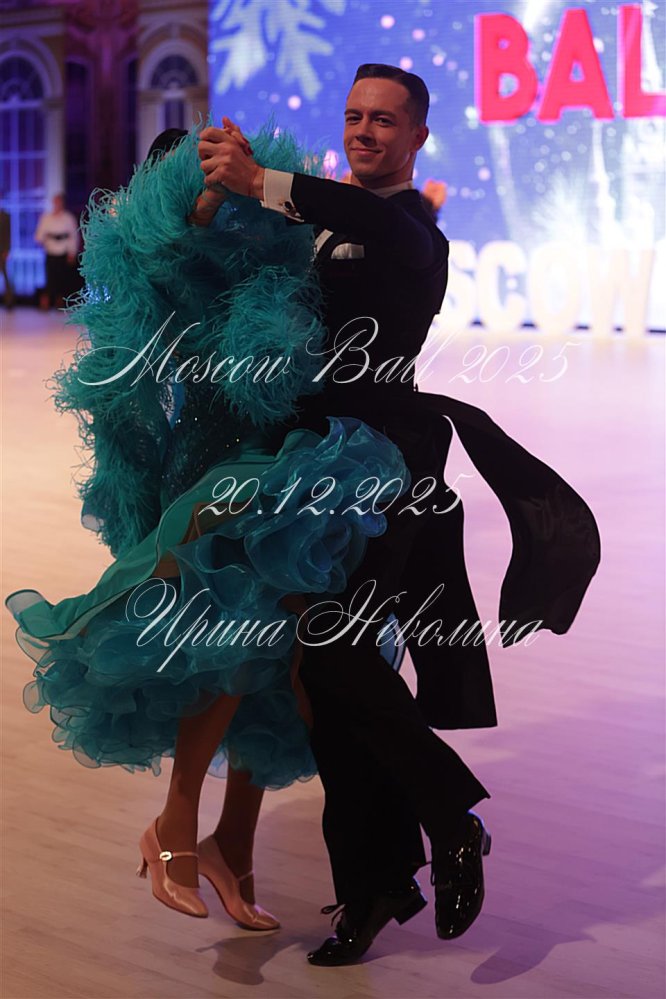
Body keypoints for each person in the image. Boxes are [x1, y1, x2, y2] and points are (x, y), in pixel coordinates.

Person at [197, 62, 601, 965]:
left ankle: (451, 816)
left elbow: (371, 220)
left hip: (385, 467)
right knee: (333, 686)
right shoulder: (315, 221)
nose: (365, 132)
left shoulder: (413, 226)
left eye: (384, 120)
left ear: (418, 136)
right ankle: (373, 883)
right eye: (354, 116)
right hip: (310, 463)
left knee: (335, 657)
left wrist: (264, 180)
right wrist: (215, 167)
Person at [5, 119, 415, 931]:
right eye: (198, 176)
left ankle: (231, 840)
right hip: (218, 463)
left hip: (282, 451)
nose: (216, 188)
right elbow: (156, 319)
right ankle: (178, 821)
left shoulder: (275, 236)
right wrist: (205, 210)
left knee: (278, 656)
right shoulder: (158, 250)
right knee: (239, 635)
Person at [34, 193, 79, 309]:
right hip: (50, 251)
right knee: (50, 277)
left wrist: (72, 252)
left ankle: (60, 302)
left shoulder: (68, 218)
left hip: (63, 251)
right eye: (55, 202)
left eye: (59, 202)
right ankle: (46, 302)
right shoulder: (46, 218)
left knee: (62, 278)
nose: (57, 204)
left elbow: (73, 236)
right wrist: (41, 241)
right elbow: (39, 234)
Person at [0, 201, 14, 309]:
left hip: (2, 250)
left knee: (5, 276)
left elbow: (8, 234)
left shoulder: (5, 216)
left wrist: (7, 250)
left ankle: (9, 302)